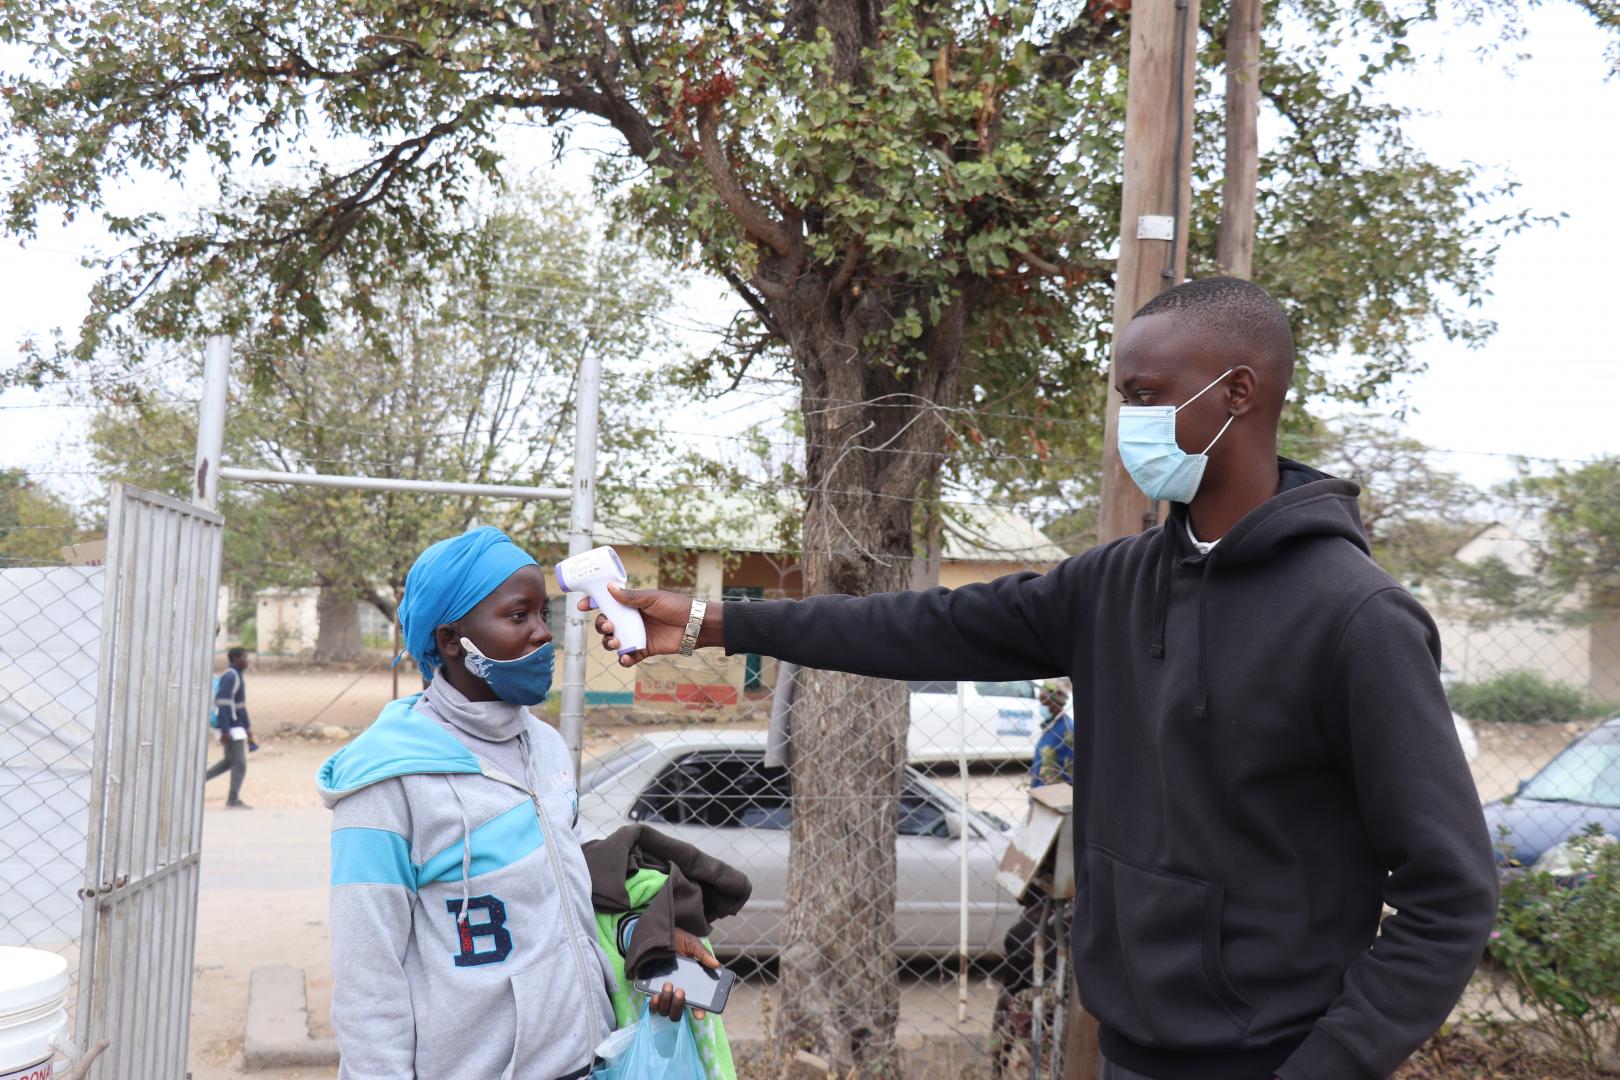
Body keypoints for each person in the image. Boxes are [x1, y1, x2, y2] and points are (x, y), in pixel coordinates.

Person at [585, 278, 1499, 1080]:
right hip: (1130, 1046)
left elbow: (1450, 891)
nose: (1128, 424)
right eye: (1122, 398)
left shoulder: (1356, 619)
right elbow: (920, 626)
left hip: (1274, 1055)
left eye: (1146, 397)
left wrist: (1329, 1067)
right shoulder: (1115, 582)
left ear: (1240, 393)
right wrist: (714, 621)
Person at [317, 526, 713, 1079]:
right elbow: (367, 978)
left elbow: (561, 894)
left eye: (543, 615)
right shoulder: (386, 783)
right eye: (517, 616)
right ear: (452, 640)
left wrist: (638, 937)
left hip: (586, 1062)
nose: (542, 635)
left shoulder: (545, 747)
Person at [205, 646, 254, 808]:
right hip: (231, 727)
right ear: (235, 659)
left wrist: (247, 726)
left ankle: (196, 782)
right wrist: (225, 729)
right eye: (244, 657)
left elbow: (240, 706)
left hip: (236, 726)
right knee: (239, 763)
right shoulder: (231, 676)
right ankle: (233, 799)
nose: (247, 661)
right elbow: (224, 704)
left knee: (229, 761)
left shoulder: (237, 676)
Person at [1032, 681, 1074, 788]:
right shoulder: (1051, 725)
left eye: (1045, 702)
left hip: (1054, 792)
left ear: (1055, 703)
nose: (1042, 705)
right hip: (1040, 789)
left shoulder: (1068, 730)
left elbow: (1069, 770)